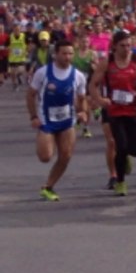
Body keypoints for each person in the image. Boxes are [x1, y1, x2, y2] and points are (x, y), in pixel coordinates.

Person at [90, 30, 136, 196]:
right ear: (114, 46)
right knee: (120, 146)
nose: (126, 49)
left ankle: (126, 158)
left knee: (135, 150)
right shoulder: (107, 62)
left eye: (129, 46)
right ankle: (120, 182)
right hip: (115, 110)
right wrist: (99, 100)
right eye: (123, 46)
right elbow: (93, 84)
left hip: (133, 109)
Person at [27, 38, 88, 201]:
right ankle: (45, 140)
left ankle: (48, 186)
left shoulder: (78, 75)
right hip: (46, 120)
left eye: (70, 54)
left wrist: (83, 112)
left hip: (68, 120)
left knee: (66, 155)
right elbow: (30, 95)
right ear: (56, 54)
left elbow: (82, 98)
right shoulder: (43, 73)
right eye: (64, 54)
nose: (68, 57)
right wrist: (33, 116)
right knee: (45, 157)